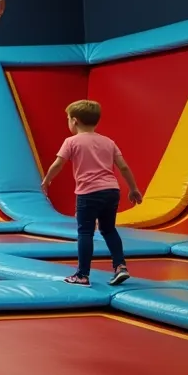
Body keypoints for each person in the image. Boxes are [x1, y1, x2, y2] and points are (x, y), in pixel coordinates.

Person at [40, 100, 142, 286]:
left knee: (85, 232)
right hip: (111, 191)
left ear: (75, 121)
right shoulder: (108, 142)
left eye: (68, 119)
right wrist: (133, 189)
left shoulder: (71, 141)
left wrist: (47, 180)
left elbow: (58, 164)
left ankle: (82, 274)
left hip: (88, 192)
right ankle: (120, 266)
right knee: (108, 229)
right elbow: (124, 167)